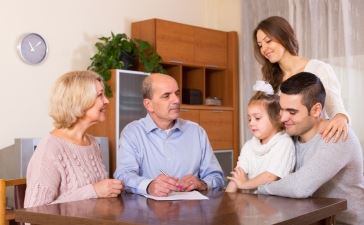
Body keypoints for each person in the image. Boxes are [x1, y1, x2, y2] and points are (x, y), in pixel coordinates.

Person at [257, 72, 364, 225]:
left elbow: (300, 187)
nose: (283, 118)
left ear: (315, 110)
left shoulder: (338, 136)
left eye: (292, 112)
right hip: (309, 220)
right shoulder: (290, 137)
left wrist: (260, 187)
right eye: (282, 109)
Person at [113, 73, 224, 197]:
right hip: (148, 213)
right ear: (148, 105)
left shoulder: (196, 132)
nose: (176, 100)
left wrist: (202, 183)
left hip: (191, 212)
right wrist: (149, 185)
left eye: (177, 93)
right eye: (166, 96)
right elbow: (123, 175)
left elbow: (217, 177)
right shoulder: (132, 133)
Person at [24, 71, 124, 207]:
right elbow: (33, 214)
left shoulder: (93, 143)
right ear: (79, 101)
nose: (106, 101)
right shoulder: (50, 148)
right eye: (100, 95)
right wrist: (93, 191)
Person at [253, 16, 349, 143]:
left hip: (314, 145)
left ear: (284, 37)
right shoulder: (271, 79)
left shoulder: (318, 69)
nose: (264, 49)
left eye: (268, 41)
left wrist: (341, 118)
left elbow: (336, 108)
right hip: (285, 149)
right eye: (260, 45)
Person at [226, 81, 295, 192]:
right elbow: (237, 177)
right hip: (252, 204)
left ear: (277, 118)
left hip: (276, 205)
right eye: (249, 119)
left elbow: (270, 176)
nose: (251, 123)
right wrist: (226, 199)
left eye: (257, 118)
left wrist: (244, 184)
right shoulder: (249, 146)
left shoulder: (284, 143)